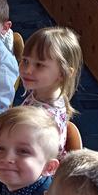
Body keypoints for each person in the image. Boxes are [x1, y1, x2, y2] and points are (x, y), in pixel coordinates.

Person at [20, 27, 83, 158]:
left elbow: (34, 160)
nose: (27, 70)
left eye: (39, 65)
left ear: (63, 73)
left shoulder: (45, 119)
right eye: (25, 61)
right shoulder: (41, 92)